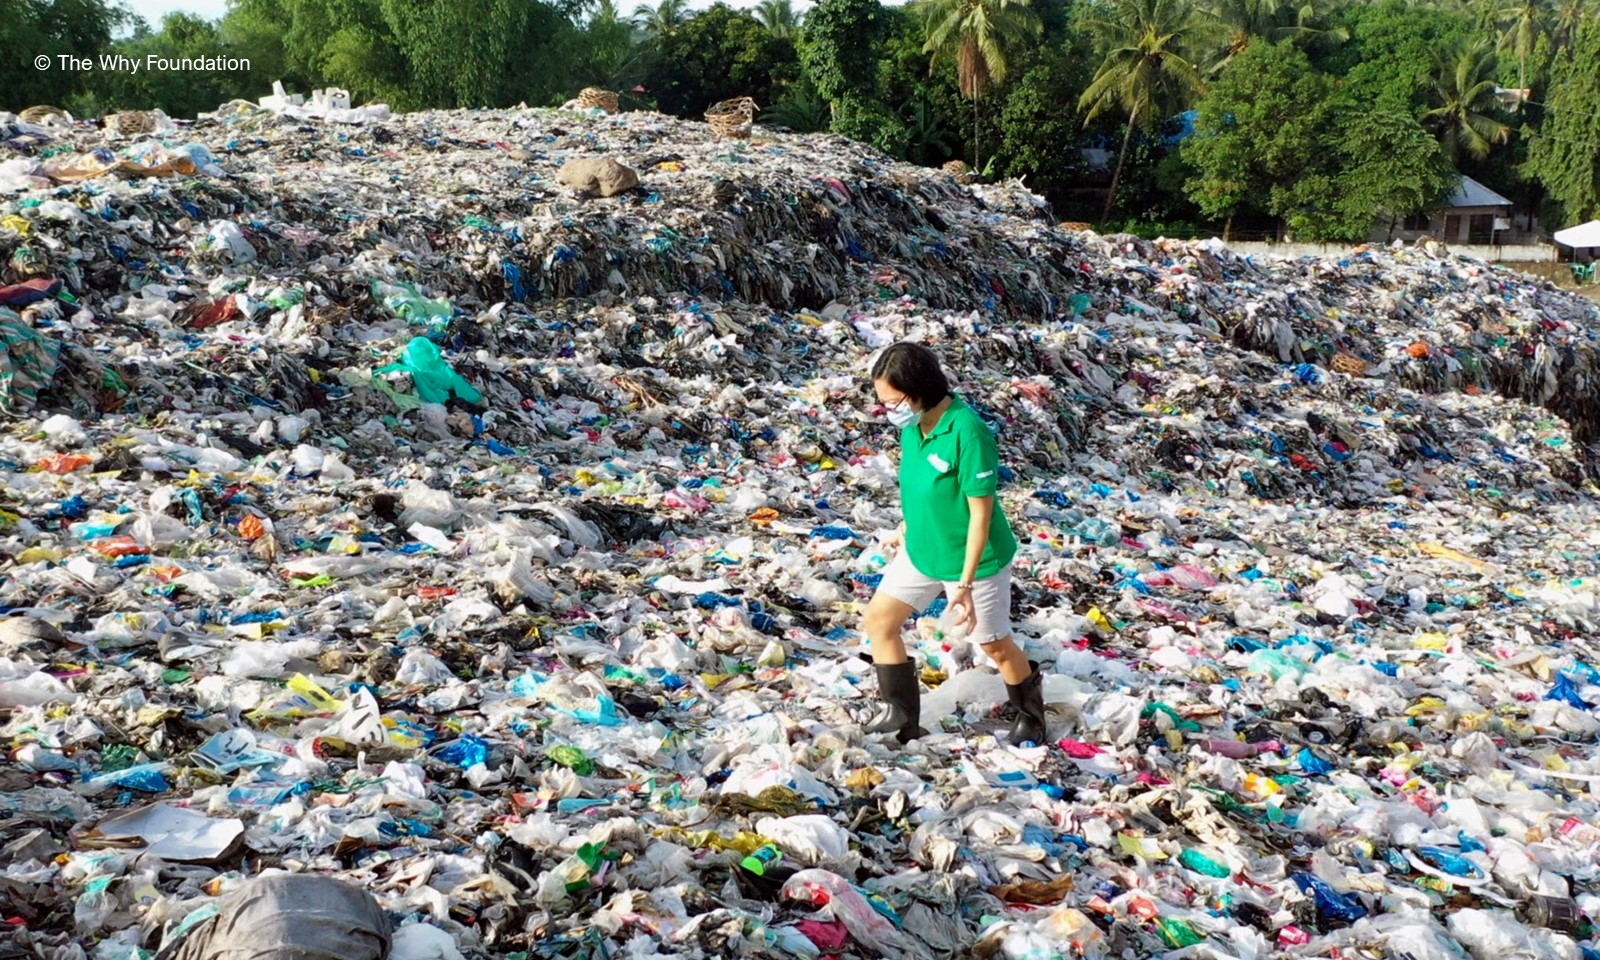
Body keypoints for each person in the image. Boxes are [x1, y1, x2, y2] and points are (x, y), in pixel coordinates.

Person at [861, 341, 1047, 745]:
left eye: (893, 401)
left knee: (994, 646)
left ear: (920, 389)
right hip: (923, 550)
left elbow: (980, 516)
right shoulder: (914, 427)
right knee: (880, 620)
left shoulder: (968, 432)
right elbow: (921, 488)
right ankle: (901, 716)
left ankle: (1031, 715)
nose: (888, 410)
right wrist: (904, 527)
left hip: (973, 560)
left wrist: (962, 586)